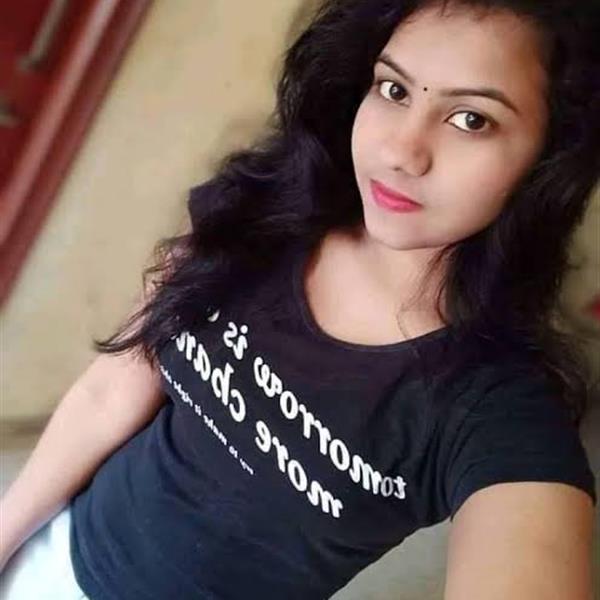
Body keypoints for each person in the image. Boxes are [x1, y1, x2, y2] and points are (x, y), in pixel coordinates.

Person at [1, 0, 598, 598]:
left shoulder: (493, 406)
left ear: (550, 157)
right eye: (394, 90)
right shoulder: (261, 215)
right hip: (50, 553)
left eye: (471, 119)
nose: (401, 151)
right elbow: (111, 390)